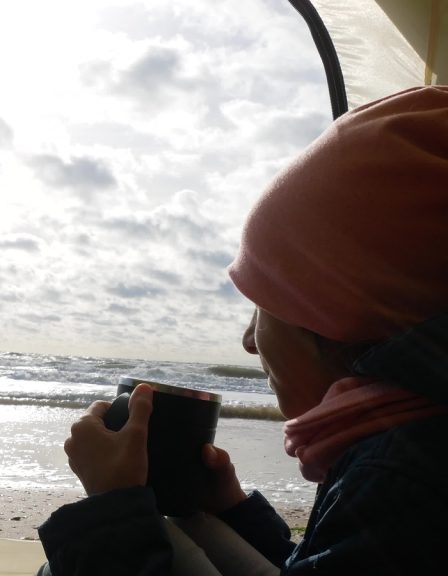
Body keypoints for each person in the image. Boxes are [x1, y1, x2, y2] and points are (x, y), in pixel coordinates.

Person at [36, 85, 448, 575]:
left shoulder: (403, 474)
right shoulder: (405, 440)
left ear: (332, 313)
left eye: (263, 306)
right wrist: (232, 512)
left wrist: (110, 511)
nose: (249, 341)